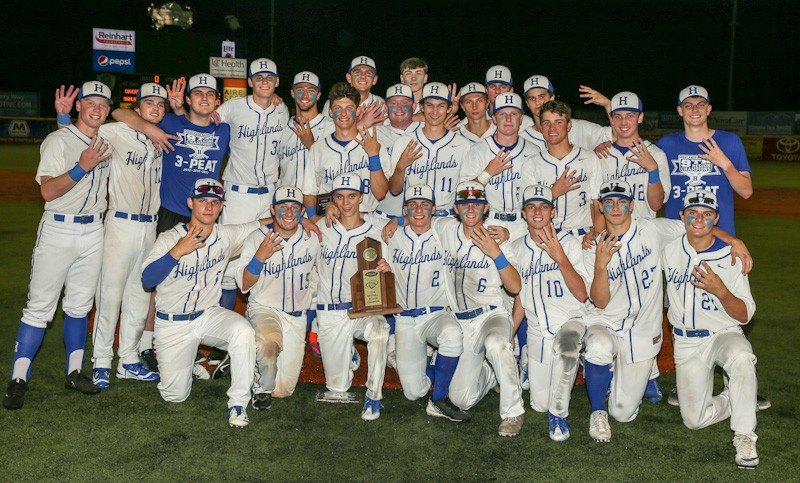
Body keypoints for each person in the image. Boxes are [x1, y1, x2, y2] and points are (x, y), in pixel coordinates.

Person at [582, 179, 750, 442]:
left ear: (632, 206)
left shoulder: (655, 230)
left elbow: (698, 225)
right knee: (599, 347)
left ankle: (615, 382)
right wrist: (600, 265)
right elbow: (599, 302)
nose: (615, 207)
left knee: (624, 412)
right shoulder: (592, 246)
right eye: (608, 202)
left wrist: (734, 240)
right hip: (606, 321)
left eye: (622, 202)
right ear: (600, 208)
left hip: (642, 331)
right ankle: (597, 410)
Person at [4, 81, 113, 410]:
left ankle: (75, 372)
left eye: (103, 104)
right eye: (90, 102)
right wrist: (83, 166)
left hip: (95, 231)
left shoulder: (109, 141)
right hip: (58, 230)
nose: (96, 109)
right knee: (39, 308)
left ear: (108, 110)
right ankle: (19, 379)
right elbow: (48, 192)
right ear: (79, 105)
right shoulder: (56, 140)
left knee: (80, 306)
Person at [655, 85, 766, 410]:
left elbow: (745, 191)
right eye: (687, 103)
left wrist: (724, 163)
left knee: (728, 317)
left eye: (699, 103)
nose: (693, 108)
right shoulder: (668, 144)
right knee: (682, 311)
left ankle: (742, 387)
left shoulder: (728, 142)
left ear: (708, 108)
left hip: (720, 245)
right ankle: (688, 382)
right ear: (679, 110)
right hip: (679, 243)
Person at [140, 179, 261, 428]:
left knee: (244, 332)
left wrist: (300, 217)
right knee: (175, 396)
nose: (208, 207)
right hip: (172, 323)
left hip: (208, 316)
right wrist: (177, 251)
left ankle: (238, 403)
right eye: (202, 201)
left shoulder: (225, 235)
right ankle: (187, 363)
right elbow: (147, 279)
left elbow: (262, 224)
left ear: (222, 207)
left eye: (214, 202)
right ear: (190, 203)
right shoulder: (169, 238)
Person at [662, 189, 759, 468]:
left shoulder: (732, 257)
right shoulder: (669, 246)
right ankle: (738, 396)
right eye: (692, 213)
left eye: (706, 214)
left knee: (741, 355)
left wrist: (722, 291)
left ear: (715, 218)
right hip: (686, 342)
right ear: (682, 216)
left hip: (723, 334)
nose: (698, 219)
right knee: (695, 420)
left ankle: (744, 435)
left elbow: (744, 316)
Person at [593, 91, 671, 404]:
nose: (624, 121)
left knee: (648, 306)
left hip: (645, 234)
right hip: (612, 237)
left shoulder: (656, 154)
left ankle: (649, 370)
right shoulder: (600, 153)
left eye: (630, 115)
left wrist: (652, 168)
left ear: (640, 117)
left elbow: (657, 203)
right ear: (610, 119)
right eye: (617, 116)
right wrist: (601, 239)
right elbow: (594, 204)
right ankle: (613, 364)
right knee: (614, 305)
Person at [87, 83, 167, 388]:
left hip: (149, 227)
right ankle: (102, 361)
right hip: (120, 223)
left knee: (139, 295)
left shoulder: (162, 139)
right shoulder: (118, 131)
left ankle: (129, 359)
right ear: (138, 109)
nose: (156, 108)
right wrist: (62, 119)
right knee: (110, 295)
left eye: (160, 104)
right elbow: (90, 128)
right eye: (149, 103)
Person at [434, 181, 526, 436]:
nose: (470, 208)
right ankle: (492, 373)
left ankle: (513, 412)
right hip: (460, 322)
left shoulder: (497, 238)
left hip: (491, 315)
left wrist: (496, 253)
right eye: (464, 203)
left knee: (498, 344)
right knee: (461, 400)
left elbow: (516, 286)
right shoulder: (443, 229)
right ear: (456, 208)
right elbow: (415, 220)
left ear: (486, 207)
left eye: (476, 203)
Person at [377, 184, 469, 422]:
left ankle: (438, 400)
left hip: (436, 314)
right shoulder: (391, 233)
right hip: (405, 318)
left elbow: (472, 221)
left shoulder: (445, 231)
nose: (419, 210)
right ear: (405, 208)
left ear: (434, 209)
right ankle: (426, 361)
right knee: (413, 392)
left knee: (452, 334)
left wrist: (506, 232)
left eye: (425, 205)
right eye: (413, 205)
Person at [510, 184, 590, 441]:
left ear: (552, 212)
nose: (537, 212)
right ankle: (528, 357)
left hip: (570, 320)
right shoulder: (517, 248)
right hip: (537, 329)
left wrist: (560, 258)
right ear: (523, 213)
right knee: (538, 403)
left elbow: (581, 294)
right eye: (531, 207)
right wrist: (510, 332)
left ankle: (559, 415)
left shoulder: (571, 242)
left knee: (567, 349)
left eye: (544, 206)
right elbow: (520, 296)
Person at [313, 173, 391, 421]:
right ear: (333, 199)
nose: (346, 202)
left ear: (361, 198)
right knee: (337, 388)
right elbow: (293, 223)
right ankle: (348, 352)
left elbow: (417, 221)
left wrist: (390, 269)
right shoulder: (321, 228)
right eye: (340, 196)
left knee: (379, 330)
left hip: (362, 310)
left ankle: (373, 396)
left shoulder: (378, 229)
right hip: (329, 312)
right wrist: (310, 220)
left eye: (352, 196)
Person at [215, 58, 290, 312]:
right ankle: (222, 328)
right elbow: (204, 119)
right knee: (228, 261)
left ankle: (257, 318)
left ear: (277, 82)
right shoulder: (233, 107)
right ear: (250, 82)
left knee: (266, 255)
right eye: (259, 77)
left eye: (270, 77)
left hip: (270, 196)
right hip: (238, 195)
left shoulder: (283, 110)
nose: (264, 81)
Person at [236, 186, 320, 410]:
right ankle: (260, 386)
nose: (289, 212)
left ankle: (255, 360)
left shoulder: (313, 237)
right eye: (283, 207)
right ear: (272, 210)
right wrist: (259, 258)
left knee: (283, 390)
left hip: (296, 318)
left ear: (303, 211)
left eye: (295, 207)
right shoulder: (257, 238)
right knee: (268, 345)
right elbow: (243, 284)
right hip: (265, 309)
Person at [302, 82, 390, 218]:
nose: (343, 113)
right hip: (331, 220)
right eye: (337, 108)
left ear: (358, 111)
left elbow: (380, 194)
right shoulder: (318, 148)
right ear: (330, 112)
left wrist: (373, 156)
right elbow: (309, 192)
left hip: (366, 217)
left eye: (349, 108)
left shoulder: (374, 144)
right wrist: (313, 218)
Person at [461, 93, 540, 242]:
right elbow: (463, 195)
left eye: (514, 114)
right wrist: (488, 173)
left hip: (525, 224)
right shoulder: (478, 150)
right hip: (488, 223)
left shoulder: (534, 151)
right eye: (502, 114)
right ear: (494, 118)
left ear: (521, 118)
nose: (508, 119)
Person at [387, 82, 470, 217]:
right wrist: (400, 167)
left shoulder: (463, 144)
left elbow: (466, 189)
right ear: (421, 107)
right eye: (429, 105)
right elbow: (395, 190)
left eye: (441, 106)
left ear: (449, 108)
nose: (435, 111)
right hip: (415, 217)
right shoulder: (404, 142)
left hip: (448, 217)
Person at [531, 100, 602, 237]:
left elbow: (597, 205)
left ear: (569, 125)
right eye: (546, 123)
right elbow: (529, 209)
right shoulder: (532, 163)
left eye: (558, 122)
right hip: (547, 237)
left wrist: (596, 234)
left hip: (582, 236)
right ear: (541, 127)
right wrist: (553, 193)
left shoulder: (589, 158)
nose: (552, 128)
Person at [518, 75, 611, 151]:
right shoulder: (523, 138)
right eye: (532, 98)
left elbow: (616, 134)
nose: (537, 102)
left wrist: (608, 104)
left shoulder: (578, 127)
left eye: (542, 96)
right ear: (527, 103)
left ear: (552, 98)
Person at [278, 71, 330, 188]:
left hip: (319, 200)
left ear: (318, 95)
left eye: (311, 91)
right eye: (300, 90)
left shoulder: (331, 128)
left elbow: (334, 168)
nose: (305, 95)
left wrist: (312, 145)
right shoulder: (282, 129)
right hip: (288, 202)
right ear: (292, 93)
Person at [376, 83, 421, 217]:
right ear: (385, 107)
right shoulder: (374, 134)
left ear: (414, 106)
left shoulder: (427, 131)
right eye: (393, 103)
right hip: (384, 214)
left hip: (421, 215)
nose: (399, 108)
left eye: (405, 102)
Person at [322, 56, 384, 120]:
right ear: (349, 78)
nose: (363, 76)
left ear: (374, 80)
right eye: (357, 73)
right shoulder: (333, 103)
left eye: (368, 73)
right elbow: (325, 129)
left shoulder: (380, 104)